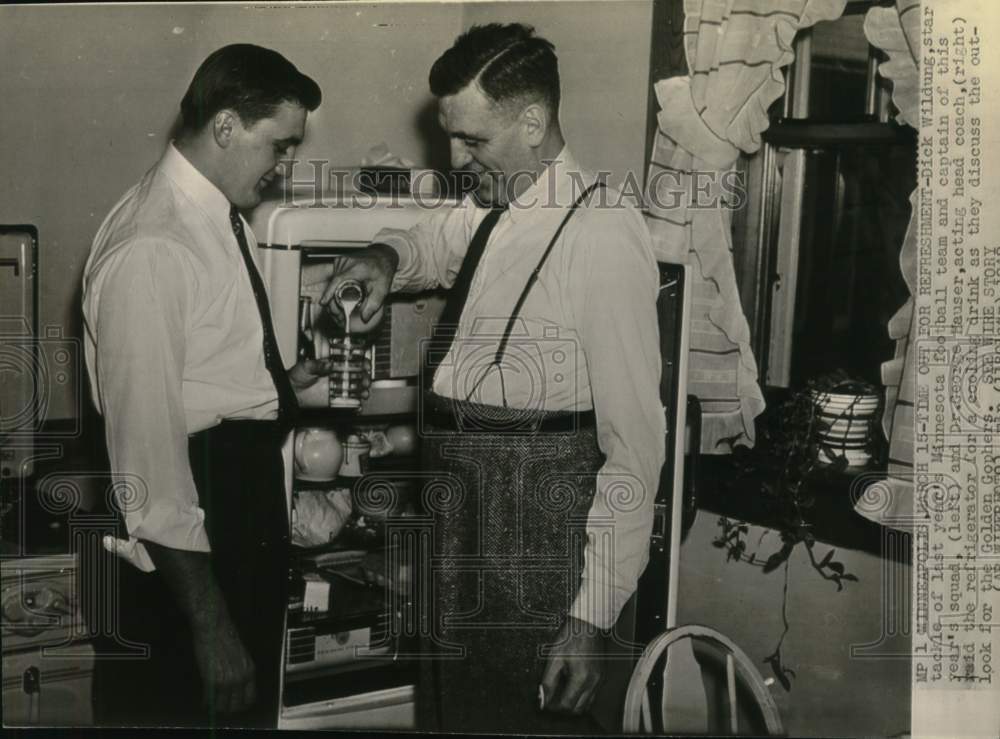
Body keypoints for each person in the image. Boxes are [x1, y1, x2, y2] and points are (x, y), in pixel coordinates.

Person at [318, 23, 666, 734]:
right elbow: (427, 240)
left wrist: (591, 617)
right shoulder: (492, 206)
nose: (456, 157)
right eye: (452, 136)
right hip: (458, 524)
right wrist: (385, 258)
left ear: (533, 124)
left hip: (535, 536)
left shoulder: (602, 231)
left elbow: (636, 449)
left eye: (472, 140)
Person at [82, 44, 343, 728]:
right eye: (279, 145)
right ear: (226, 126)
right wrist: (211, 625)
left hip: (233, 512)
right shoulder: (153, 244)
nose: (286, 164)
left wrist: (286, 384)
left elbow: (203, 382)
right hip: (192, 538)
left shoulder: (214, 216)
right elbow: (149, 465)